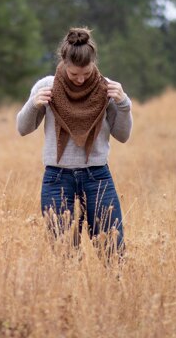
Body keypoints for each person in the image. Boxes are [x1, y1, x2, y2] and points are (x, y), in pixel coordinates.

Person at [16, 27, 132, 256]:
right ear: (63, 63)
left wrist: (124, 104)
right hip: (57, 178)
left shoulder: (107, 88)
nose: (80, 79)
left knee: (113, 251)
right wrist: (34, 105)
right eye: (73, 74)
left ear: (94, 64)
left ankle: (114, 292)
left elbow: (123, 135)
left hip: (97, 177)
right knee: (65, 255)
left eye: (86, 74)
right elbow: (22, 128)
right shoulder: (47, 87)